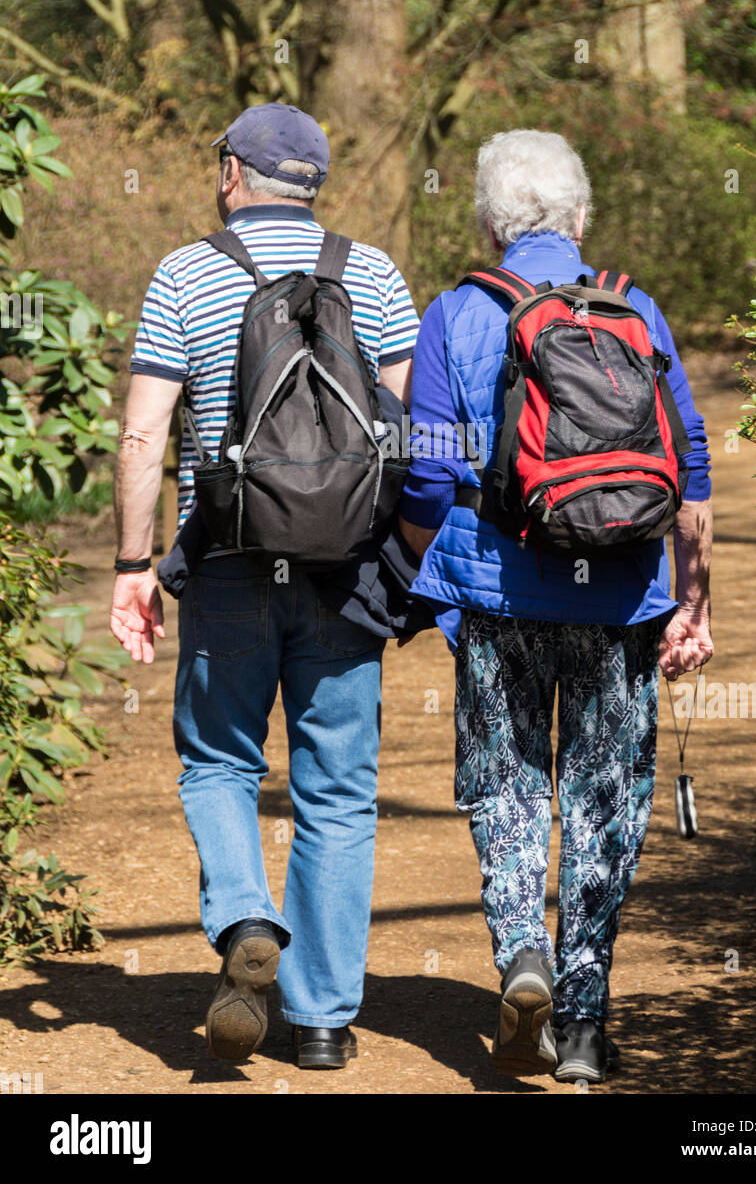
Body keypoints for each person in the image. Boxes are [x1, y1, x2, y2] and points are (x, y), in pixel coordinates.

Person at [397, 129, 713, 1084]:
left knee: (505, 782)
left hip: (500, 593)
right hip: (622, 594)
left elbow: (426, 472)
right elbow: (688, 463)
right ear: (580, 220)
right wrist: (692, 599)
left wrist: (422, 576)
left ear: (491, 224)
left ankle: (519, 953)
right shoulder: (635, 307)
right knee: (604, 797)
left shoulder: (455, 312)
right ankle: (581, 1024)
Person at [110, 103, 419, 1068]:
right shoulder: (372, 273)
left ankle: (246, 913)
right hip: (346, 572)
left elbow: (143, 436)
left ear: (233, 172)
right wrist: (403, 568)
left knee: (218, 762)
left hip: (228, 564)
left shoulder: (186, 272)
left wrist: (132, 566)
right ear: (314, 183)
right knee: (338, 792)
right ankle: (322, 1021)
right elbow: (412, 440)